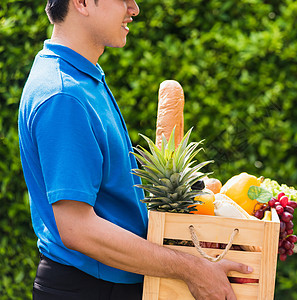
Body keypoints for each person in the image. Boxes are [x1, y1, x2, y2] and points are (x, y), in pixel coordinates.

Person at [18, 0, 253, 299]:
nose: (134, 8)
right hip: (90, 288)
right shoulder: (64, 94)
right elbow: (78, 229)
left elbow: (110, 195)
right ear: (81, 2)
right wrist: (192, 269)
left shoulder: (82, 77)